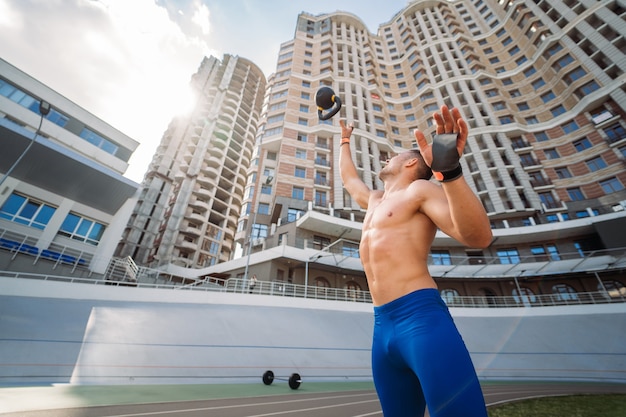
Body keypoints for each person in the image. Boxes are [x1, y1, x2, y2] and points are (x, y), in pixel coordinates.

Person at [339, 105, 492, 417]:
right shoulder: (375, 200)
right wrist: (343, 141)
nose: (386, 159)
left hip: (420, 319)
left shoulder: (419, 190)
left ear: (410, 162)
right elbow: (348, 179)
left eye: (392, 155)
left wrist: (448, 171)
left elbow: (479, 238)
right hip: (382, 325)